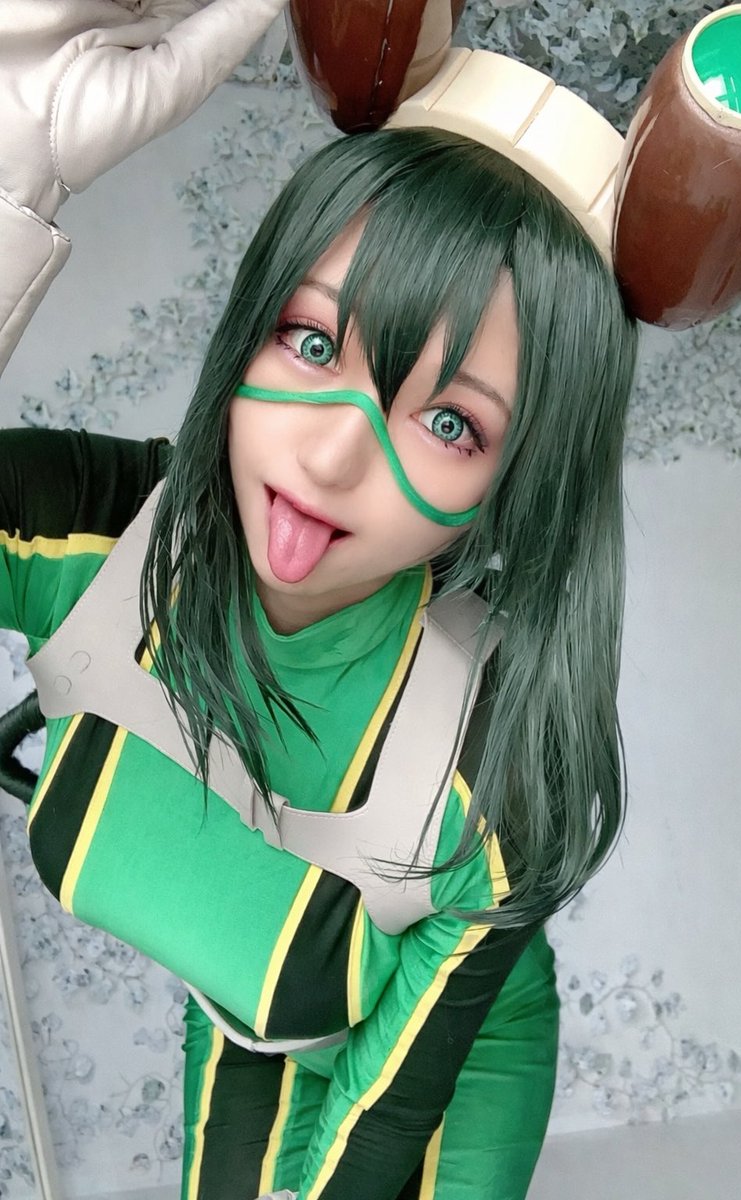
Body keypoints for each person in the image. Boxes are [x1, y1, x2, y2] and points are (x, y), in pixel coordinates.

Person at [0, 5, 640, 1199]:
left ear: (513, 479)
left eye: (448, 422)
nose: (332, 457)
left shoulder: (498, 758)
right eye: (308, 342)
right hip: (256, 996)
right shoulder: (98, 540)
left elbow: (379, 1127)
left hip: (449, 1057)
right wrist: (7, 183)